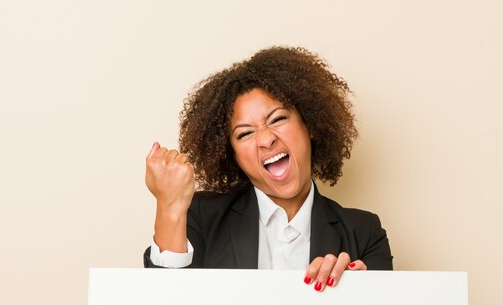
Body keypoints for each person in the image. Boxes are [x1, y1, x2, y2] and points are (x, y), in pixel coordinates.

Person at [143, 46, 392, 292]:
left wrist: (359, 292)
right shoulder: (201, 216)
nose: (265, 139)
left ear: (311, 125)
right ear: (232, 155)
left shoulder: (364, 232)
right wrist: (170, 206)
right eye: (245, 133)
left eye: (278, 119)